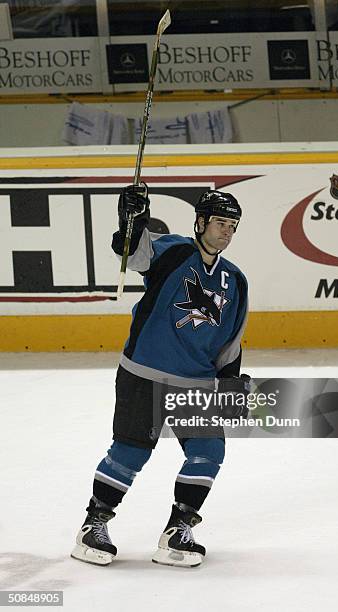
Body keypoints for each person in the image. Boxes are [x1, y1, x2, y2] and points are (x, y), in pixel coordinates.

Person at [71, 184, 249, 568]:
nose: (226, 232)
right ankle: (93, 524)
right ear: (200, 221)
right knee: (130, 452)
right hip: (145, 371)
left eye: (232, 226)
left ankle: (178, 530)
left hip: (196, 381)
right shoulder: (173, 251)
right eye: (220, 223)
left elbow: (230, 339)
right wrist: (133, 219)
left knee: (209, 451)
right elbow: (131, 252)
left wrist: (230, 382)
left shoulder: (235, 279)